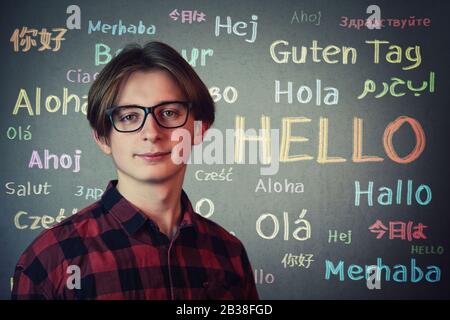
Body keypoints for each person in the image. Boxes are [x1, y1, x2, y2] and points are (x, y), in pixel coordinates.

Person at [11, 41, 259, 300]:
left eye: (170, 112)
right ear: (102, 138)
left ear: (199, 129)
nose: (151, 133)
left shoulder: (229, 254)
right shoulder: (50, 259)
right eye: (129, 117)